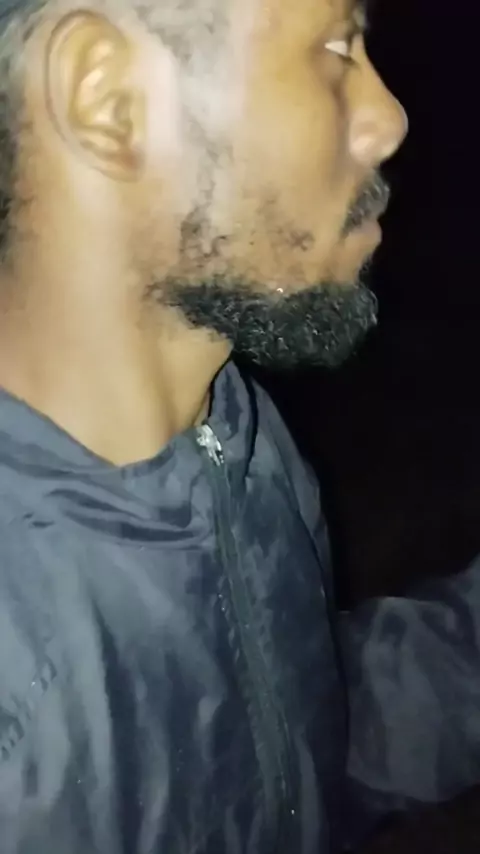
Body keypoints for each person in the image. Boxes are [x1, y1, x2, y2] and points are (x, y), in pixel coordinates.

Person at [0, 0, 478, 852]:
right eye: (335, 44)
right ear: (109, 102)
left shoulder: (227, 438)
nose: (389, 118)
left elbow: (281, 748)